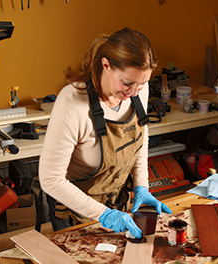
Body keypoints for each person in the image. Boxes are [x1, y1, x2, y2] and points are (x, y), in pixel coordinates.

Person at [39, 27, 172, 238]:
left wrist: (141, 186)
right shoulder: (72, 103)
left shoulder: (136, 90)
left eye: (143, 83)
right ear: (106, 65)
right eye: (127, 83)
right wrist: (104, 215)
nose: (134, 92)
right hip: (76, 209)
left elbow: (140, 137)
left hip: (117, 201)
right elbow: (50, 179)